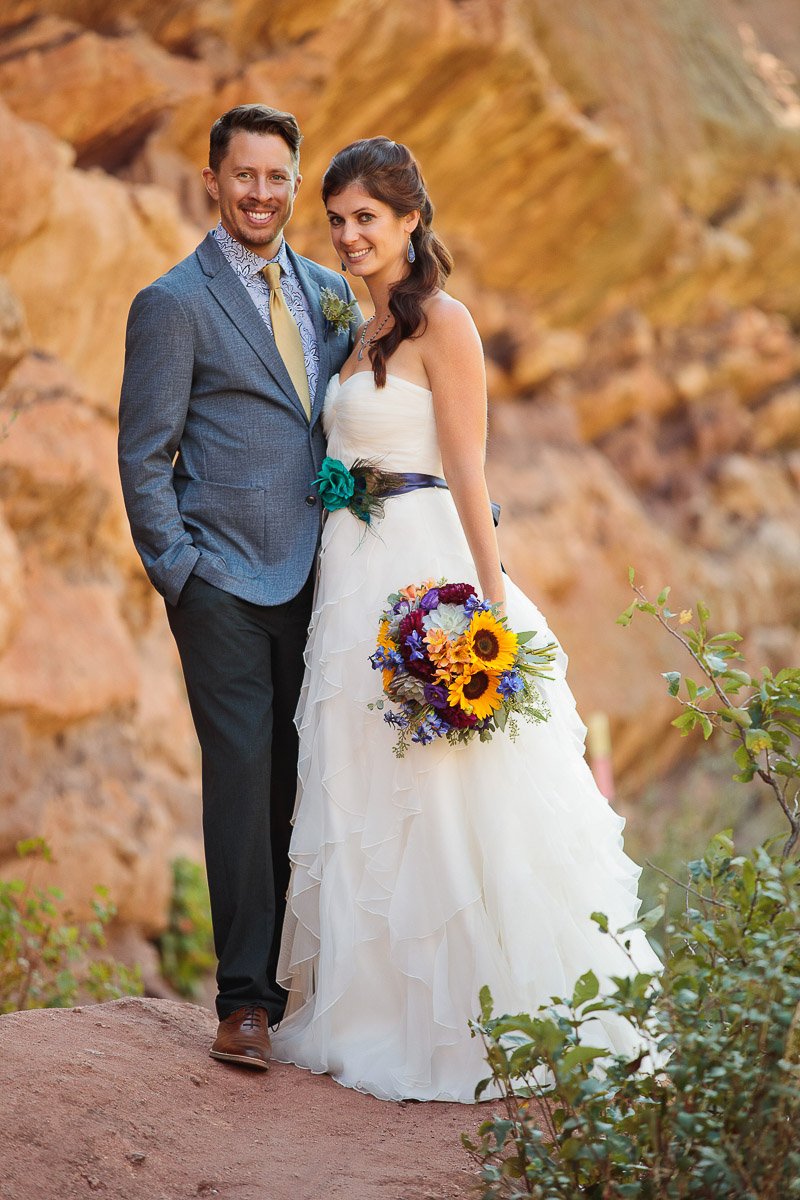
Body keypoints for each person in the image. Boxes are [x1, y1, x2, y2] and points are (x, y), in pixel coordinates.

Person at [271, 137, 662, 1102]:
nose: (350, 236)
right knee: (364, 780)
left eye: (368, 217)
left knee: (444, 781)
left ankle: (470, 1019)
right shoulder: (353, 337)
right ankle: (372, 1006)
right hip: (350, 573)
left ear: (411, 220)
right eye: (338, 221)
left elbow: (469, 473)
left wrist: (492, 619)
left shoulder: (447, 325)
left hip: (423, 568)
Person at [118, 105, 360, 1070]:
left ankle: (304, 984)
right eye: (244, 176)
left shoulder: (333, 295)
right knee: (242, 777)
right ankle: (245, 1003)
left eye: (278, 177)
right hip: (219, 578)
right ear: (211, 181)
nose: (261, 193)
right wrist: (181, 574)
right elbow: (143, 456)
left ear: (295, 185)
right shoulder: (172, 303)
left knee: (304, 780)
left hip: (322, 576)